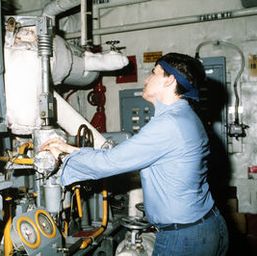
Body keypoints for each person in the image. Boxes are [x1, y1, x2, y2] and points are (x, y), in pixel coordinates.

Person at [41, 53, 229, 255]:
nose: (147, 79)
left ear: (170, 80)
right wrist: (71, 150)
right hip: (205, 225)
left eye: (153, 73)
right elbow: (126, 155)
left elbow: (109, 163)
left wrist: (62, 159)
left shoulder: (169, 124)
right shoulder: (185, 117)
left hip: (184, 238)